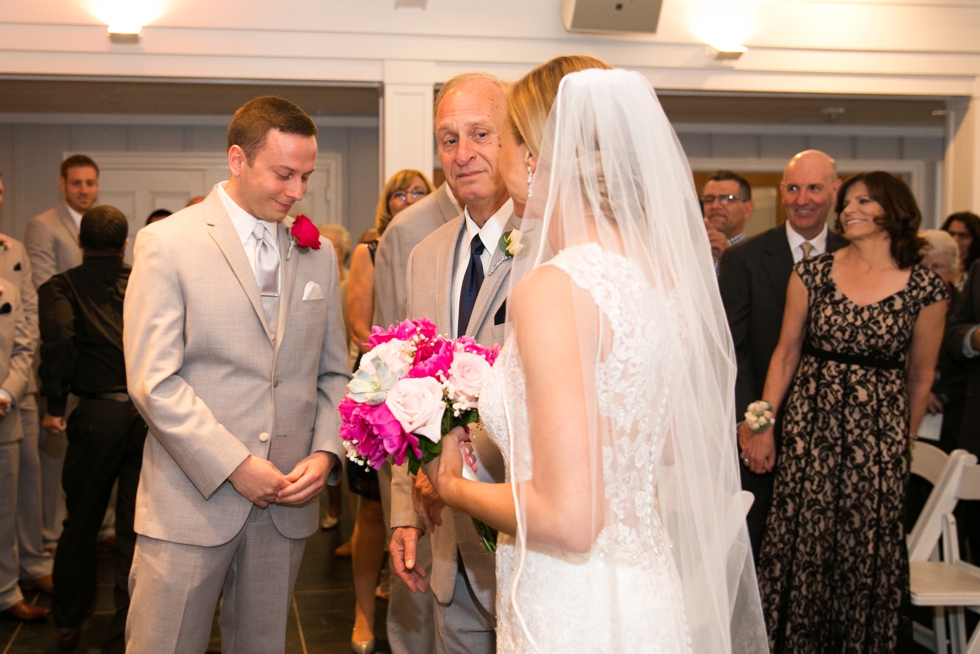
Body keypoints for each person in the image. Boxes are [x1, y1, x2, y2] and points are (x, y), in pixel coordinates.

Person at [422, 65, 767, 652]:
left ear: (531, 156)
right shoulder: (660, 277)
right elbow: (659, 443)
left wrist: (450, 486)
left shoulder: (557, 286)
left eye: (502, 136)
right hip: (646, 591)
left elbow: (570, 519)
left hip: (572, 609)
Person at [123, 96, 350, 653]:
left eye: (306, 176)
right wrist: (234, 465)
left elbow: (334, 373)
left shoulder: (319, 256)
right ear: (237, 159)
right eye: (284, 174)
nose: (298, 191)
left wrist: (326, 453)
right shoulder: (168, 243)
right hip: (189, 503)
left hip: (286, 508)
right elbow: (153, 381)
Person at [750, 172, 946, 652]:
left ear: (893, 212)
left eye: (864, 200)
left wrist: (902, 444)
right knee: (802, 548)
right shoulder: (812, 272)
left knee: (862, 557)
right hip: (810, 430)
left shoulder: (925, 289)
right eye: (848, 201)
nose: (848, 208)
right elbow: (785, 354)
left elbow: (920, 377)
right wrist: (763, 425)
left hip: (878, 440)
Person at [388, 71, 516, 654]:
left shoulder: (552, 243)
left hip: (521, 526)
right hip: (443, 538)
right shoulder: (424, 253)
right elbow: (405, 391)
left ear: (514, 138)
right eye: (447, 139)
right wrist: (403, 512)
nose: (462, 154)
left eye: (480, 134)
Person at [718, 150, 848, 557]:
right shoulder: (746, 258)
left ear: (834, 191)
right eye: (793, 188)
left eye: (813, 188)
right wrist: (752, 422)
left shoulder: (854, 257)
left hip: (831, 433)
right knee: (758, 543)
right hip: (762, 430)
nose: (802, 199)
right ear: (781, 193)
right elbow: (732, 350)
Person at [39, 206, 146, 651]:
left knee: (81, 522)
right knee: (137, 528)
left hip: (96, 417)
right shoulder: (142, 280)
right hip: (146, 418)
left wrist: (56, 403)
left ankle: (67, 619)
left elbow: (60, 340)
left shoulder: (59, 286)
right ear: (124, 244)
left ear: (81, 241)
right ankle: (130, 627)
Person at [345, 168, 433, 653]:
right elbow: (360, 326)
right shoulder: (372, 250)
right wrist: (400, 361)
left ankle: (401, 583)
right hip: (380, 392)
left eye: (418, 191)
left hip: (424, 393)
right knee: (374, 511)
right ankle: (362, 612)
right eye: (400, 193)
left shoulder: (443, 243)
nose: (410, 199)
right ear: (388, 201)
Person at [25, 154, 98, 553]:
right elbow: (45, 291)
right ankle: (50, 536)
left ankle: (96, 528)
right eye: (76, 183)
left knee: (93, 448)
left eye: (89, 183)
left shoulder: (100, 222)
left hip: (97, 360)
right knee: (54, 452)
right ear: (62, 185)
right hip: (62, 353)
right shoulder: (43, 226)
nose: (84, 190)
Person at [0, 171, 51, 622]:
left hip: (12, 394)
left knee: (17, 493)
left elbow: (27, 325)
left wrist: (10, 388)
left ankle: (21, 576)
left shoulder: (12, 250)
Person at [702, 170, 754, 273]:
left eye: (727, 199)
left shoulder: (758, 256)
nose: (715, 206)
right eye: (709, 199)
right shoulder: (687, 254)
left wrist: (730, 256)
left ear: (747, 210)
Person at [942, 211, 980, 290]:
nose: (954, 240)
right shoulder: (933, 266)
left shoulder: (977, 271)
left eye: (963, 236)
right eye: (951, 234)